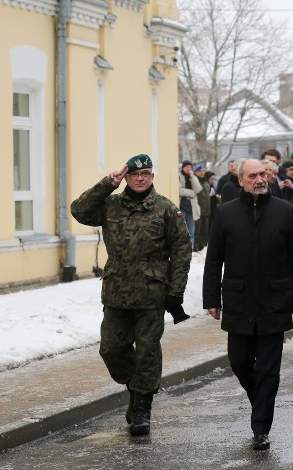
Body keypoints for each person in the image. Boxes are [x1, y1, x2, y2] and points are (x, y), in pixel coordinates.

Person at [70, 154, 191, 436]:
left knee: (148, 352)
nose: (141, 178)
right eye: (135, 174)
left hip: (152, 295)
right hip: (116, 292)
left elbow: (182, 251)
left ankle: (141, 409)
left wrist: (176, 292)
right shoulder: (111, 204)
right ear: (125, 177)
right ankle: (136, 386)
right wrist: (105, 185)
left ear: (152, 176)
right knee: (111, 349)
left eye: (146, 173)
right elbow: (79, 211)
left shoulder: (165, 209)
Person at [202, 158, 293, 451]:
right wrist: (211, 299)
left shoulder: (284, 211)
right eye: (253, 176)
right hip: (238, 301)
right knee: (238, 361)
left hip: (275, 300)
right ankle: (260, 400)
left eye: (263, 174)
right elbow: (214, 261)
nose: (261, 179)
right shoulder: (225, 214)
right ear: (241, 181)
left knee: (269, 369)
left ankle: (260, 428)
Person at [178, 160, 202, 250]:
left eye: (190, 167)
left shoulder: (193, 177)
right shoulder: (179, 176)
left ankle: (190, 251)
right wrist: (191, 192)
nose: (189, 169)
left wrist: (192, 177)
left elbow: (198, 189)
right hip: (182, 208)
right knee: (182, 232)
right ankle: (182, 251)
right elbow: (179, 190)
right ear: (183, 167)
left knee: (191, 233)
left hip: (192, 209)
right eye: (187, 167)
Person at [194, 164, 211, 251]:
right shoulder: (195, 181)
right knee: (197, 230)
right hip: (198, 210)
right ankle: (196, 246)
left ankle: (203, 245)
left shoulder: (206, 182)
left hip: (206, 210)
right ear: (195, 172)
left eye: (203, 171)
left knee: (205, 230)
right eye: (199, 171)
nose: (202, 173)